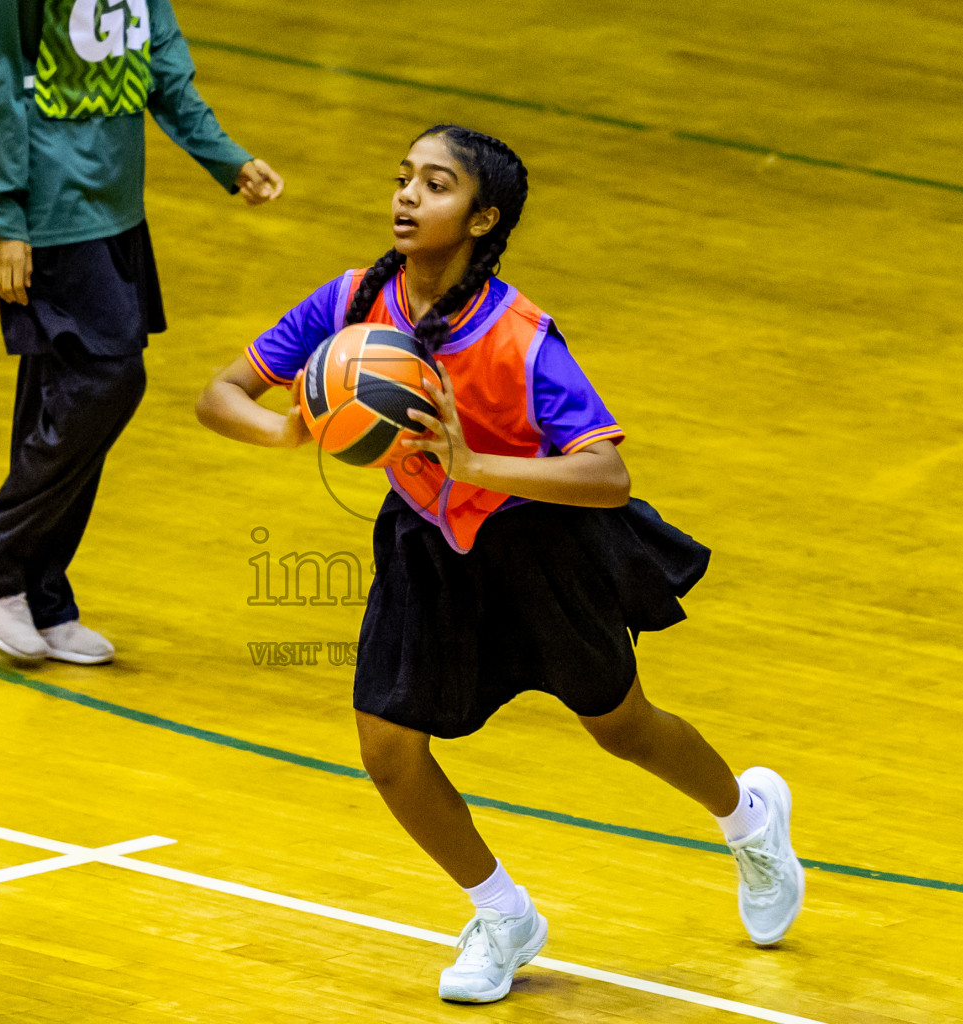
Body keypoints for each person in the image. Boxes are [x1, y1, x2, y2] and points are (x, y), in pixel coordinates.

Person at [196, 125, 804, 1004]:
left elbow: (607, 473)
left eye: (435, 186)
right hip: (424, 544)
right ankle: (502, 912)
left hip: (542, 544)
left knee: (620, 724)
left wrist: (474, 465)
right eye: (402, 177)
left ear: (481, 218)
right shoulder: (352, 302)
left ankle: (749, 821)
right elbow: (219, 395)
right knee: (389, 747)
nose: (407, 196)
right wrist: (290, 427)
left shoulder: (520, 339)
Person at [0, 0, 283, 663]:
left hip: (115, 198)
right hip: (50, 202)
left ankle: (38, 592)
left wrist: (223, 155)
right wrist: (2, 215)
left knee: (60, 392)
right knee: (107, 380)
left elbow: (161, 58)